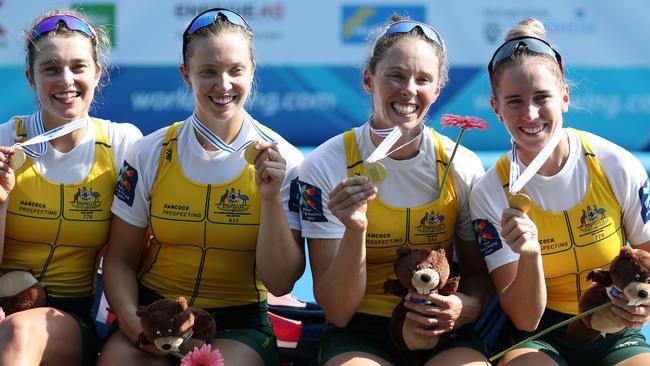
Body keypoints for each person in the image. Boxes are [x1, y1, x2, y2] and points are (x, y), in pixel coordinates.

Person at [97, 7, 305, 366]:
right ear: (186, 75)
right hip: (156, 315)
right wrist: (134, 325)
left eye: (235, 70)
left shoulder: (284, 161)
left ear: (252, 71)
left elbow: (281, 283)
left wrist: (269, 199)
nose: (223, 85)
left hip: (237, 325)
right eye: (208, 71)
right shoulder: (149, 151)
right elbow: (118, 259)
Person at [298, 15, 492, 366]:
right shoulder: (325, 166)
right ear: (369, 80)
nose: (409, 90)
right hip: (358, 330)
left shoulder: (462, 165)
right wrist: (356, 229)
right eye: (396, 76)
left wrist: (465, 307)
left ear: (436, 91)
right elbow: (338, 312)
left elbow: (477, 275)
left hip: (440, 328)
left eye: (423, 79)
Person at [470, 18, 650, 366]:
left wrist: (643, 306)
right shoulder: (490, 192)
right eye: (515, 101)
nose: (531, 114)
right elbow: (525, 320)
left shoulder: (614, 164)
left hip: (616, 330)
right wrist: (530, 252)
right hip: (537, 338)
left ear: (565, 96)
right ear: (496, 108)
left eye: (542, 98)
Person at [0, 10, 143, 366]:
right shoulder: (4, 140)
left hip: (67, 319)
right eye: (50, 68)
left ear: (98, 73)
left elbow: (140, 254)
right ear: (31, 79)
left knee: (20, 332)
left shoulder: (123, 143)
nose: (66, 80)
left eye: (78, 66)